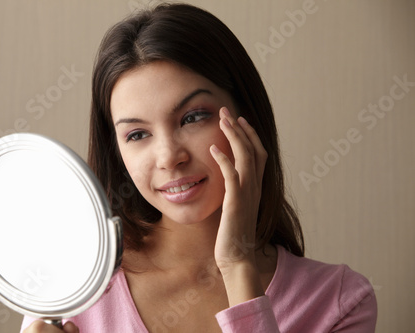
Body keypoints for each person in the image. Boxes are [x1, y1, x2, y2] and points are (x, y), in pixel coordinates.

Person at [22, 3, 377, 332]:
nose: (168, 157)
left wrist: (238, 265)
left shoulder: (340, 302)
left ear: (245, 116)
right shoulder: (68, 292)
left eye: (193, 117)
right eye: (137, 134)